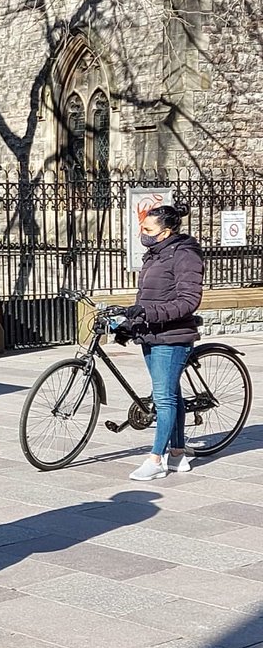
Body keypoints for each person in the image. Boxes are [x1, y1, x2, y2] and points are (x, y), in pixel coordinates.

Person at [121, 204, 204, 481]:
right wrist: (131, 323)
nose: (141, 233)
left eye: (147, 229)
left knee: (164, 398)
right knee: (171, 393)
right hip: (151, 333)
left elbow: (188, 301)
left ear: (166, 231)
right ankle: (178, 455)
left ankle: (156, 460)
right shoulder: (154, 255)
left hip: (173, 336)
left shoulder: (185, 255)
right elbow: (146, 298)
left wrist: (149, 313)